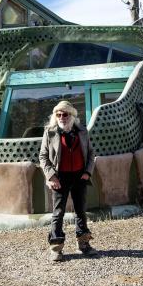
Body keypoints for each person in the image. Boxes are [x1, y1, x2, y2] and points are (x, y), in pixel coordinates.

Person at [39, 101, 98, 262]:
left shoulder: (82, 131)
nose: (61, 117)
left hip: (80, 176)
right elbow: (43, 157)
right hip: (60, 177)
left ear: (72, 116)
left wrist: (87, 172)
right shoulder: (50, 132)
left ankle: (84, 245)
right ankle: (56, 248)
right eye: (58, 114)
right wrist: (51, 176)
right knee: (58, 213)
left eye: (65, 114)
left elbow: (91, 154)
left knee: (80, 211)